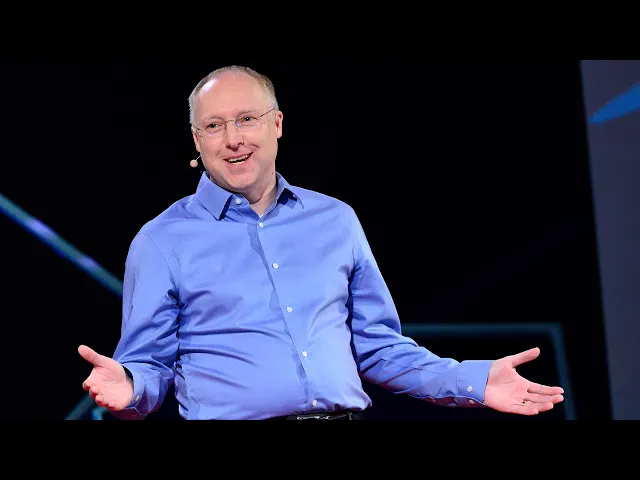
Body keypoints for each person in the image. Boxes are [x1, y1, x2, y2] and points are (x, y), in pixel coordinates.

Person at [78, 65, 565, 420]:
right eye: (214, 126)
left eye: (246, 119)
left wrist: (474, 381)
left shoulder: (335, 220)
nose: (232, 139)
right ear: (196, 140)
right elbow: (148, 365)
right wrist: (129, 386)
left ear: (277, 124)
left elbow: (378, 348)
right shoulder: (162, 240)